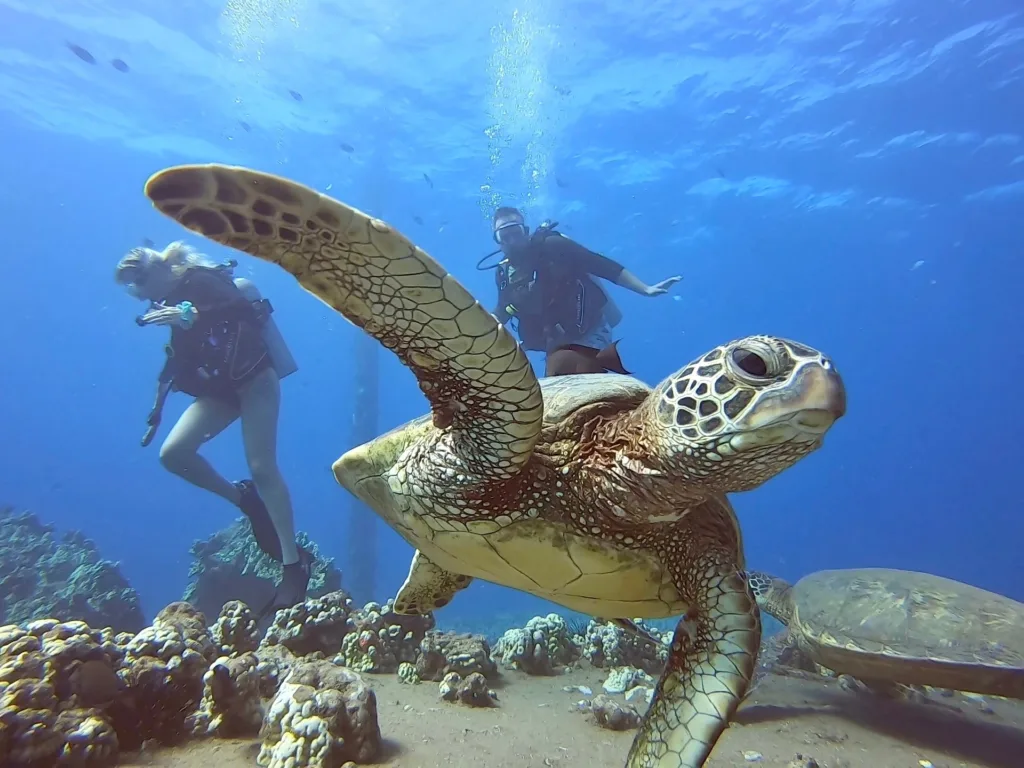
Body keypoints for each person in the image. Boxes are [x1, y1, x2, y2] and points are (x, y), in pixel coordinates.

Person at [114, 241, 310, 616]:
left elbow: (236, 307)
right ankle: (244, 500)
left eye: (139, 284)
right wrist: (157, 409)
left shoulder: (200, 280)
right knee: (174, 454)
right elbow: (179, 360)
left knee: (262, 467)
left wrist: (188, 314)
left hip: (255, 378)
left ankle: (293, 564)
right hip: (222, 389)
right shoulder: (170, 303)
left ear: (155, 271)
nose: (142, 295)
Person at [487, 207, 681, 376]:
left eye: (516, 232)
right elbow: (503, 309)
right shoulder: (503, 273)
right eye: (504, 236)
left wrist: (645, 289)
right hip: (555, 343)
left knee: (576, 378)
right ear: (498, 241)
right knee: (560, 387)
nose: (512, 240)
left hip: (590, 330)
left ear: (526, 231)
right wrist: (479, 337)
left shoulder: (553, 246)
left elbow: (602, 265)